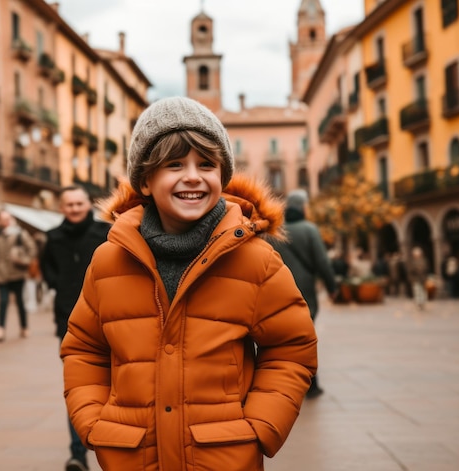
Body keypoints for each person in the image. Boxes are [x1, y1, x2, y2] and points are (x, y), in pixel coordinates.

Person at [60, 97, 317, 471]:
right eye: (174, 164)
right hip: (132, 457)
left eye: (207, 165)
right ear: (145, 181)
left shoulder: (256, 260)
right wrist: (93, 423)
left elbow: (291, 347)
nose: (193, 176)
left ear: (222, 177)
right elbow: (84, 350)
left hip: (223, 457)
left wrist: (261, 427)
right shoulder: (108, 261)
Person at [40, 185, 110, 471]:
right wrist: (60, 285)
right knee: (79, 388)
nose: (75, 209)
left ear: (88, 205)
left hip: (109, 318)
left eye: (79, 204)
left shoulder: (106, 233)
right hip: (68, 319)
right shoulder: (53, 237)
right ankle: (77, 454)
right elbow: (47, 268)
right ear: (62, 208)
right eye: (69, 205)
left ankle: (114, 444)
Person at [268, 189, 337, 399]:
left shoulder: (274, 230)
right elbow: (322, 262)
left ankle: (282, 382)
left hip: (276, 291)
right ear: (303, 207)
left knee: (281, 339)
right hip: (304, 290)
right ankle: (310, 383)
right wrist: (332, 286)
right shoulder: (309, 229)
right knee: (305, 336)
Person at [0, 210, 36, 342]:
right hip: (0, 274)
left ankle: (24, 327)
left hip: (17, 273)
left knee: (20, 302)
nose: (5, 221)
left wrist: (24, 260)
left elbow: (32, 249)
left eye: (7, 218)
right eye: (2, 219)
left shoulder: (20, 233)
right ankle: (0, 329)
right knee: (3, 302)